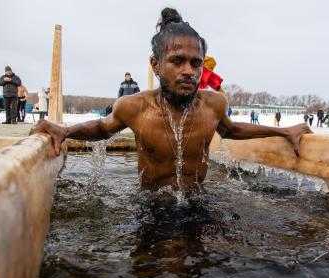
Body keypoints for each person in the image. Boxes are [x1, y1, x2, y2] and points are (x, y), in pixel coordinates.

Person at [30, 7, 312, 191]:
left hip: (199, 204)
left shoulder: (214, 104)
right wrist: (64, 130)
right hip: (151, 207)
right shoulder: (135, 107)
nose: (189, 71)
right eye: (177, 61)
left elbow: (233, 129)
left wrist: (285, 130)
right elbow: (103, 128)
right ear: (156, 65)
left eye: (195, 63)